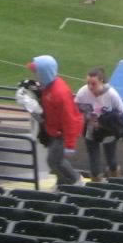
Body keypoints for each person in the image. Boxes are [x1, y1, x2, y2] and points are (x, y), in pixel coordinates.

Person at [29, 55, 83, 186]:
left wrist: (70, 144)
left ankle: (76, 181)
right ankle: (62, 184)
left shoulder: (60, 93)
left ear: (44, 73)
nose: (35, 75)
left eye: (37, 72)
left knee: (54, 160)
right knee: (55, 160)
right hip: (54, 130)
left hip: (62, 133)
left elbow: (69, 119)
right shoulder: (48, 85)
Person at [76, 67, 123, 181]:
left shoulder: (111, 94)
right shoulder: (82, 92)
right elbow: (76, 108)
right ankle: (96, 183)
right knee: (94, 163)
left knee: (112, 162)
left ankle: (115, 181)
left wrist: (122, 130)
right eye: (88, 83)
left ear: (101, 81)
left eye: (93, 83)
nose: (90, 87)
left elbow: (122, 112)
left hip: (108, 130)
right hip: (91, 130)